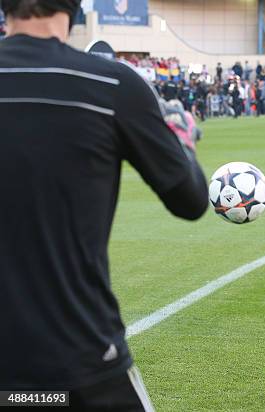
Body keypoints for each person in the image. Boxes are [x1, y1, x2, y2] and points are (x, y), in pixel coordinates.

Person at [0, 1, 209, 409]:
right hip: (80, 355)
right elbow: (190, 199)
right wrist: (182, 133)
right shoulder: (112, 83)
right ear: (75, 7)